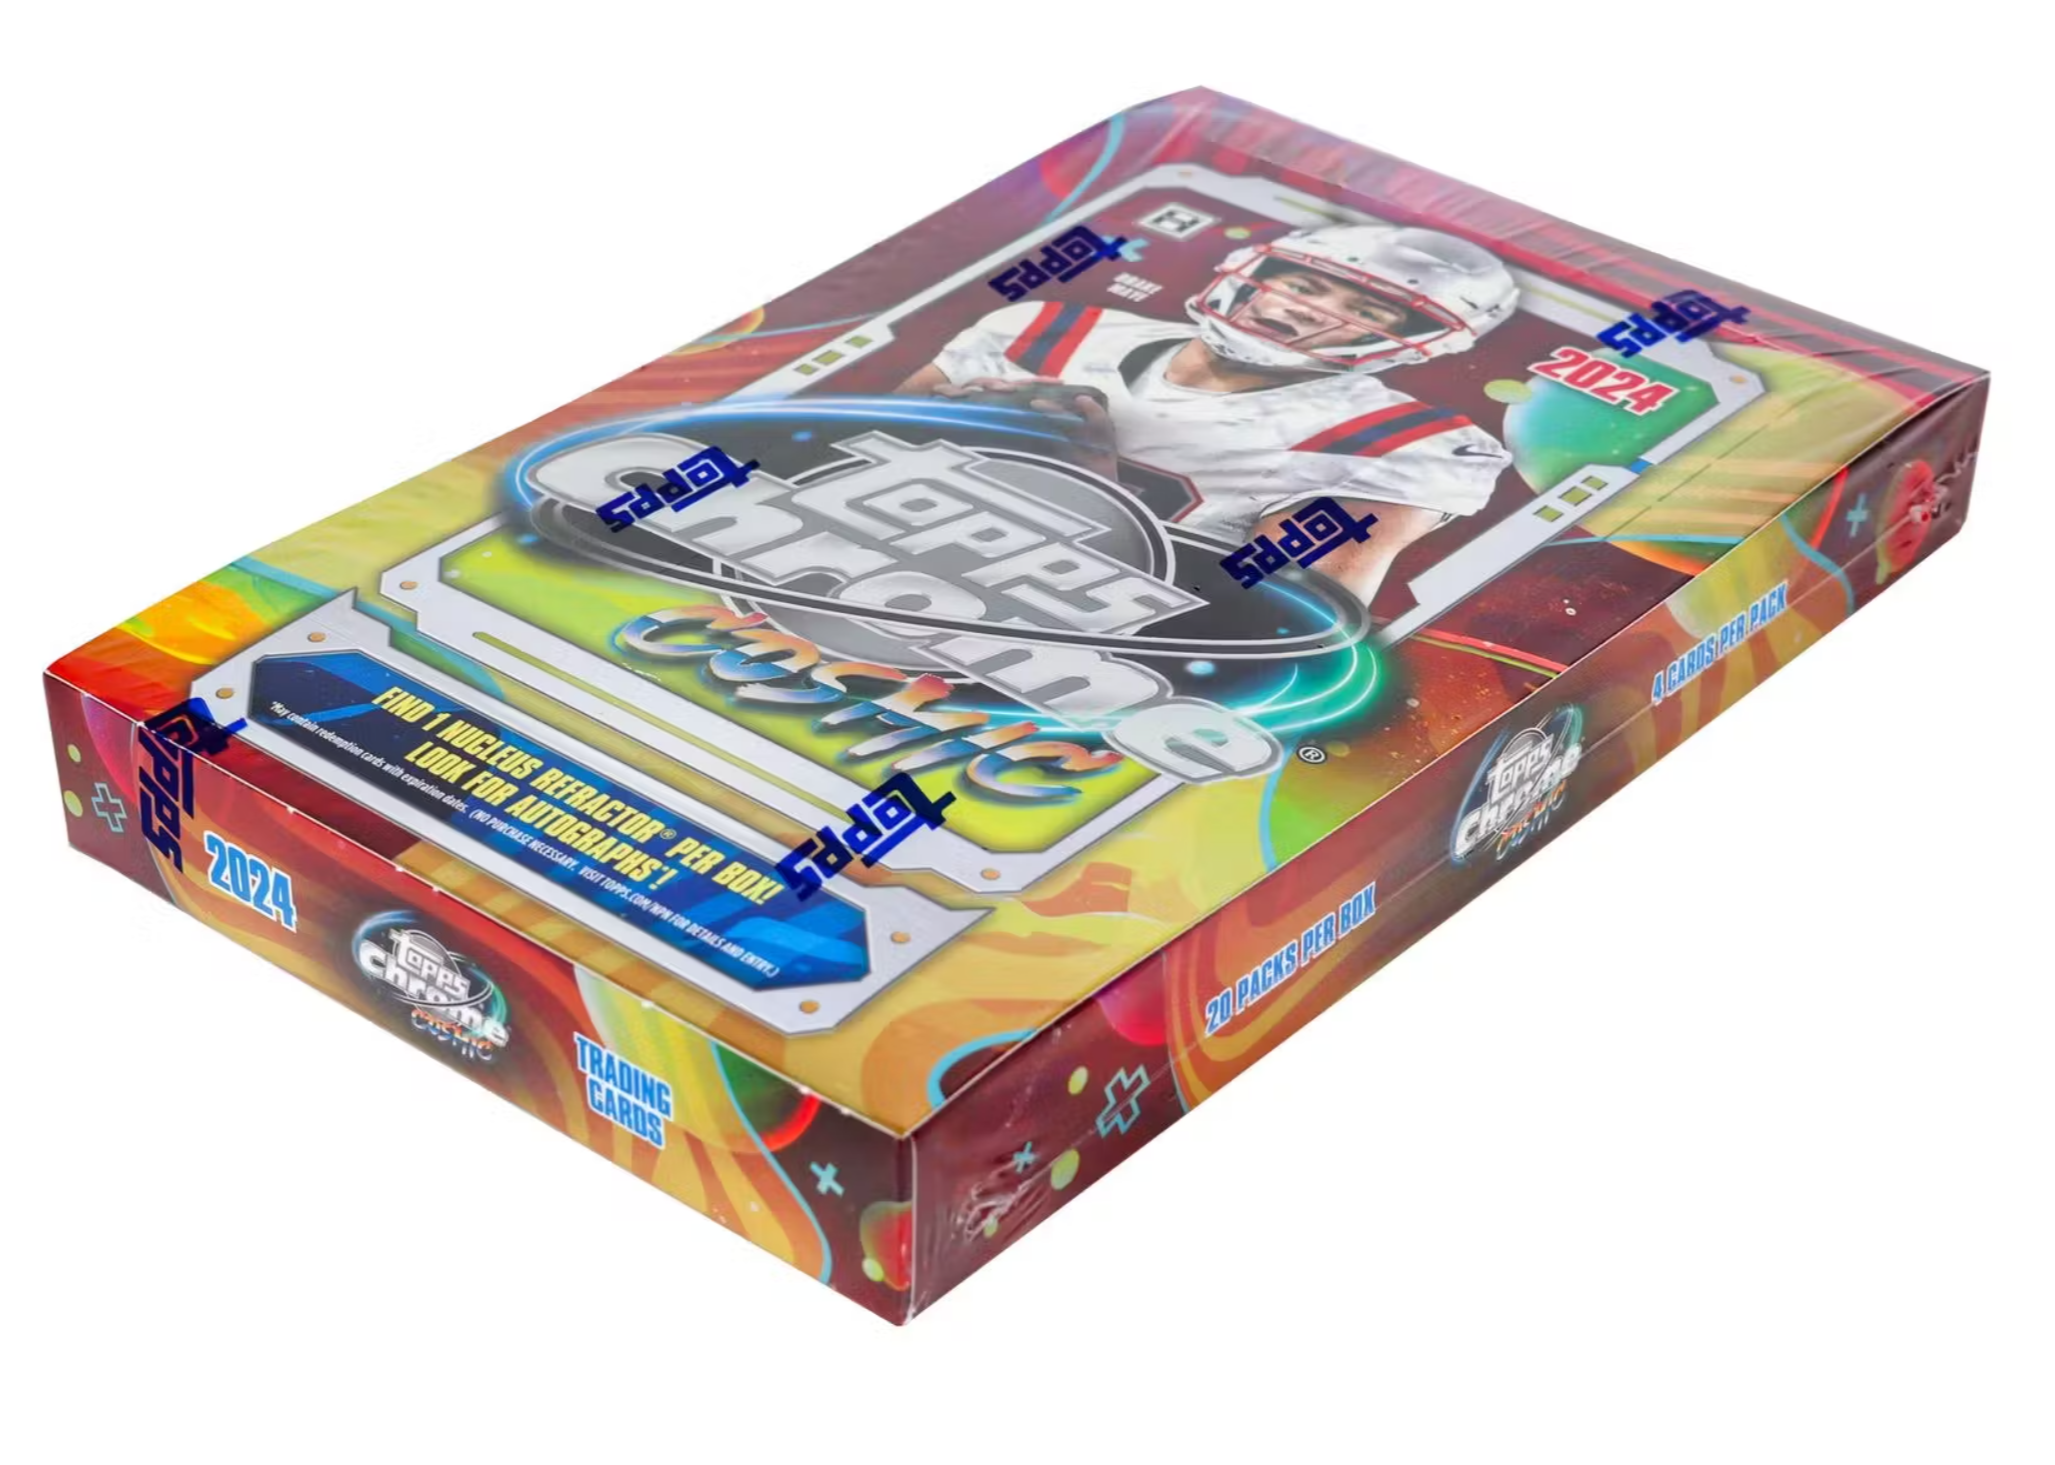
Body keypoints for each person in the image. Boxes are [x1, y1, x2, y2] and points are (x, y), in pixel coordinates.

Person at [899, 224, 1519, 607]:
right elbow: (854, 445)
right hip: (901, 555)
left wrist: (1090, 487)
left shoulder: (1402, 445)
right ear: (1253, 273)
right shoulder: (1047, 329)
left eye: (1366, 311)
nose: (1309, 311)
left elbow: (1283, 627)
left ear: (1417, 342)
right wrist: (945, 430)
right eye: (1304, 286)